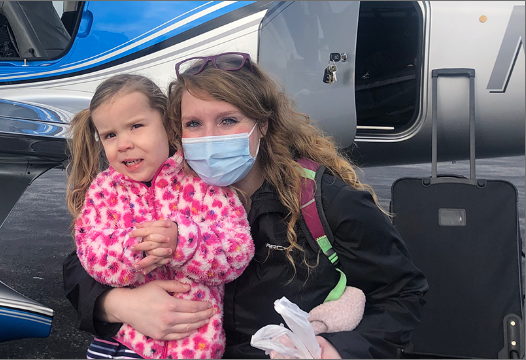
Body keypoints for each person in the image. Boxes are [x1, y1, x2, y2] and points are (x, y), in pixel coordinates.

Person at [63, 53, 429, 359]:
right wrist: (115, 305)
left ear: (263, 124)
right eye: (193, 123)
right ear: (176, 130)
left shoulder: (322, 200)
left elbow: (401, 292)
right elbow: (81, 260)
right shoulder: (162, 185)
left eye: (228, 120)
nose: (209, 137)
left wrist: (339, 349)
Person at [66, 74, 255, 359]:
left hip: (194, 346)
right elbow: (90, 252)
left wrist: (184, 242)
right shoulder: (105, 190)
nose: (124, 143)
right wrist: (137, 249)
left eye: (136, 126)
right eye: (110, 135)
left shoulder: (203, 182)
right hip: (122, 344)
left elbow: (238, 249)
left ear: (167, 125)